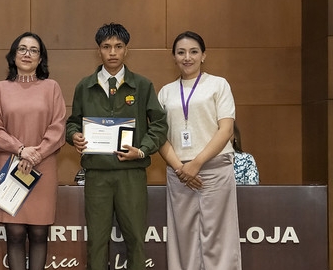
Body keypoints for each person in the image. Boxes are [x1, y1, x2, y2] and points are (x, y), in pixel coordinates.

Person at [65, 23, 168, 270]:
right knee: (97, 242)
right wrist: (75, 136)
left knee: (135, 240)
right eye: (106, 47)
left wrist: (142, 149)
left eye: (118, 47)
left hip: (131, 174)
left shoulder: (142, 86)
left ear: (126, 50)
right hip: (97, 175)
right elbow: (71, 123)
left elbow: (160, 124)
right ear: (98, 50)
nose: (112, 52)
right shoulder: (84, 86)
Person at [157, 31, 242, 269]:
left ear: (204, 55)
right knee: (182, 238)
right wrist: (180, 168)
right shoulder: (165, 92)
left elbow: (226, 130)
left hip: (214, 170)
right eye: (181, 52)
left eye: (194, 51)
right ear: (173, 57)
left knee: (218, 239)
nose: (187, 57)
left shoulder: (218, 84)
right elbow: (159, 136)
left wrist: (197, 164)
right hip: (179, 174)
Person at [0, 32, 66, 270]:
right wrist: (21, 150)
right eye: (22, 49)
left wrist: (36, 154)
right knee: (15, 233)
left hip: (44, 166)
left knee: (40, 233)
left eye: (33, 50)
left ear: (41, 58)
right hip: (10, 165)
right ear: (13, 55)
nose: (27, 54)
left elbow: (58, 126)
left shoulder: (51, 87)